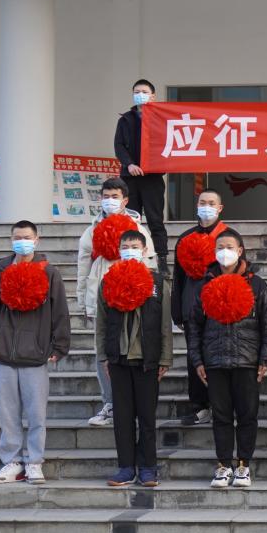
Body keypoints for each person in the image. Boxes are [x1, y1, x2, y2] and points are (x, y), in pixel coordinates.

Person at [0, 221, 70, 485]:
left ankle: (34, 462)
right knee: (8, 412)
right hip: (4, 350)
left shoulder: (49, 272)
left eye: (27, 237)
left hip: (36, 353)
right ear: (11, 240)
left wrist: (59, 345)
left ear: (37, 239)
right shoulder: (0, 270)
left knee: (36, 413)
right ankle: (12, 461)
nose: (22, 241)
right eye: (17, 237)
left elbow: (60, 311)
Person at [187, 228, 267, 489]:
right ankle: (223, 465)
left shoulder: (257, 285)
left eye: (229, 247)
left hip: (247, 361)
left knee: (247, 415)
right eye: (219, 247)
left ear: (240, 251)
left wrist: (265, 359)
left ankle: (243, 465)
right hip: (214, 361)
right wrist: (197, 361)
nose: (224, 251)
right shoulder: (204, 285)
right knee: (221, 416)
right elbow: (194, 327)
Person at [77, 177, 157, 428]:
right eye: (106, 196)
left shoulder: (137, 229)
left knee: (133, 350)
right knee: (103, 352)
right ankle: (110, 403)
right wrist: (84, 300)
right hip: (102, 296)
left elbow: (151, 263)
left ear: (125, 200)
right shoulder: (92, 230)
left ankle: (134, 404)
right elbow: (83, 266)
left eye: (115, 197)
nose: (110, 201)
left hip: (135, 299)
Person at [97, 231, 172, 487]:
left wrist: (165, 358)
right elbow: (101, 323)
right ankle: (126, 467)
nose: (130, 250)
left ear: (144, 250)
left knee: (147, 415)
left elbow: (164, 324)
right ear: (119, 250)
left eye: (134, 246)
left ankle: (148, 467)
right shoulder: (108, 281)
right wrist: (103, 356)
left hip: (147, 358)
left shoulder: (157, 282)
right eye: (125, 246)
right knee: (122, 416)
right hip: (118, 358)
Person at [172, 189, 227, 427]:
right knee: (194, 357)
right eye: (203, 202)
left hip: (221, 308)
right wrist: (177, 311)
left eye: (211, 203)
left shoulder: (229, 237)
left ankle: (222, 406)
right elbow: (178, 278)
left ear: (220, 208)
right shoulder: (185, 238)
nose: (206, 206)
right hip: (191, 307)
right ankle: (199, 406)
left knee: (220, 357)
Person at [114, 78, 168, 268]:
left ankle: (161, 259)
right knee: (130, 220)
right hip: (130, 178)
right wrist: (129, 164)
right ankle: (130, 257)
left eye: (144, 92)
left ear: (153, 96)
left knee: (155, 220)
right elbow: (119, 146)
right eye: (137, 92)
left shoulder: (162, 118)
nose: (140, 95)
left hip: (152, 178)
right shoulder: (125, 120)